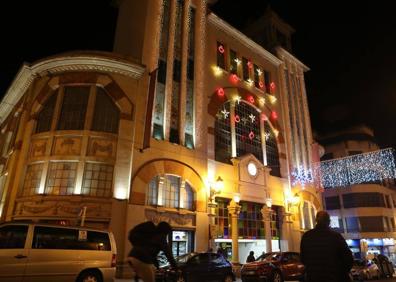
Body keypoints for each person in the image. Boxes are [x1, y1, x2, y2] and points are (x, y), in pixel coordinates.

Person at [300, 211, 353, 282]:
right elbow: (348, 258)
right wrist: (342, 273)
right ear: (328, 222)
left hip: (313, 277)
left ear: (316, 221)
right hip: (334, 277)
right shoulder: (336, 237)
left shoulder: (306, 236)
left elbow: (303, 258)